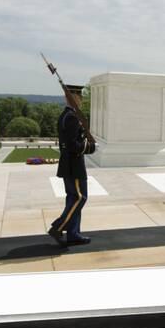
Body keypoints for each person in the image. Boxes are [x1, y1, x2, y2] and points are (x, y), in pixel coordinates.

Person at [48, 85, 96, 246]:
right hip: (74, 164)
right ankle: (58, 226)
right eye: (79, 97)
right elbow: (72, 145)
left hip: (69, 163)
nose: (81, 100)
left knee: (73, 198)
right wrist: (89, 147)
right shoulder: (72, 117)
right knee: (79, 198)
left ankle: (73, 234)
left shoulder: (66, 115)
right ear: (73, 98)